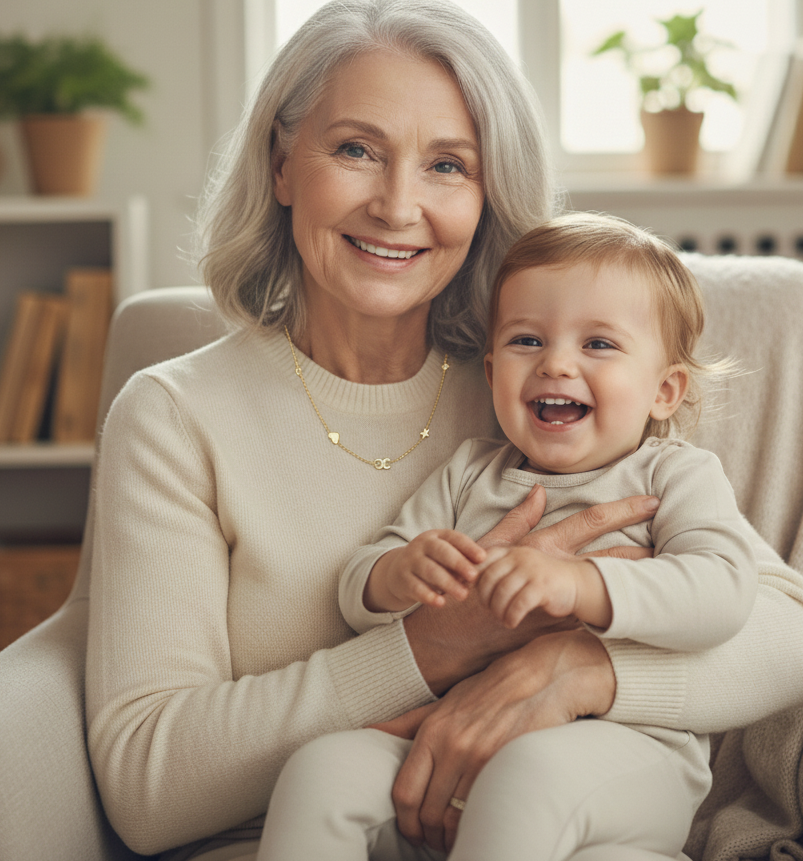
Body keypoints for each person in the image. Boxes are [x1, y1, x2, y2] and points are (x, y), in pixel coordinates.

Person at [84, 0, 803, 861]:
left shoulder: (535, 392)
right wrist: (434, 645)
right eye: (355, 148)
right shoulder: (175, 416)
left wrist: (574, 668)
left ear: (486, 196)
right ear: (282, 164)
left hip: (565, 802)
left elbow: (787, 632)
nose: (398, 205)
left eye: (447, 165)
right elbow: (145, 781)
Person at [257, 213, 757, 861]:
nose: (555, 363)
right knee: (321, 769)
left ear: (663, 389)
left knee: (524, 779)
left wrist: (583, 582)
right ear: (491, 371)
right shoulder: (471, 471)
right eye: (526, 340)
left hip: (627, 754)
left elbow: (723, 590)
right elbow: (357, 587)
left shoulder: (674, 474)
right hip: (450, 736)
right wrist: (399, 572)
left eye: (598, 345)